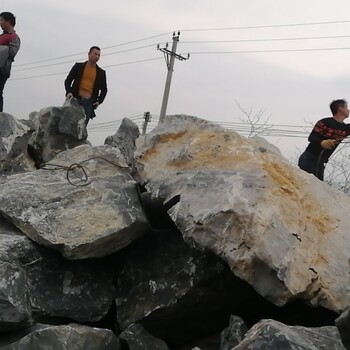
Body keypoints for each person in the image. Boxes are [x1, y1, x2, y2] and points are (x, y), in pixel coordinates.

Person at [298, 99, 350, 181]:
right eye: (346, 107)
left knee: (317, 189)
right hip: (309, 158)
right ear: (340, 108)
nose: (348, 110)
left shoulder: (345, 129)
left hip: (321, 162)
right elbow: (312, 137)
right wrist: (322, 142)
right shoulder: (324, 122)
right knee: (310, 187)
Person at [64, 46, 107, 125]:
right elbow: (68, 81)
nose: (97, 57)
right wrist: (68, 92)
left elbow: (104, 90)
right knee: (68, 124)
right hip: (75, 99)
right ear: (89, 54)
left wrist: (99, 101)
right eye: (95, 54)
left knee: (81, 127)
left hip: (88, 103)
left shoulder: (101, 73)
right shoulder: (78, 66)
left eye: (99, 55)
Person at [0, 12, 20, 112]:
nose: (0, 23)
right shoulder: (1, 36)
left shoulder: (14, 37)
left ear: (8, 21)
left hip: (2, 69)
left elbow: (12, 53)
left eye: (1, 20)